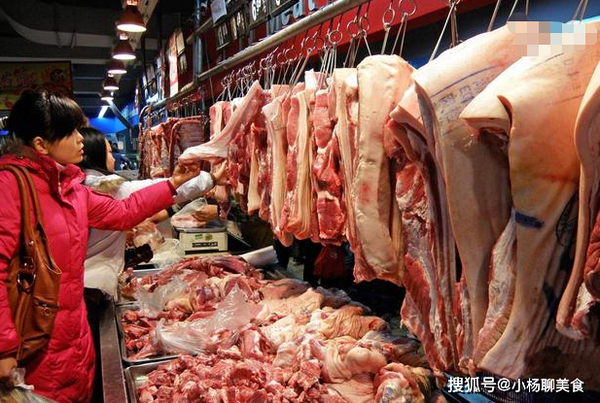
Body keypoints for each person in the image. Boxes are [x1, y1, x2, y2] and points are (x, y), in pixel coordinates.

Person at [0, 90, 199, 403]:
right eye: (72, 132)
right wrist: (4, 348)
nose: (82, 139)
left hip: (74, 336)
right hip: (34, 344)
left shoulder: (70, 188)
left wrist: (173, 184)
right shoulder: (10, 187)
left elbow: (123, 213)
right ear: (41, 144)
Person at [77, 127, 222, 382]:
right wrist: (210, 178)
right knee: (88, 365)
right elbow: (157, 193)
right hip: (89, 291)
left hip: (83, 287)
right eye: (109, 152)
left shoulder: (78, 187)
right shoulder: (102, 189)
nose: (114, 157)